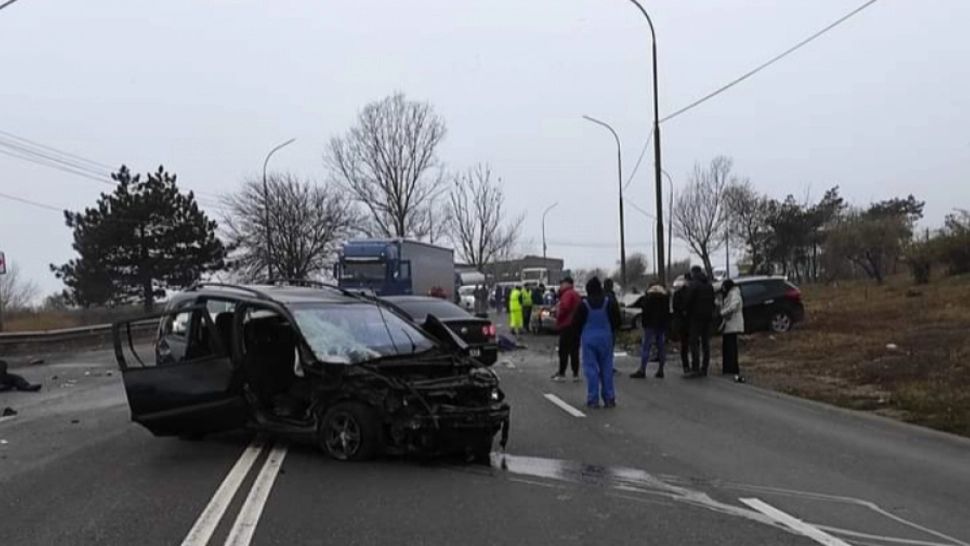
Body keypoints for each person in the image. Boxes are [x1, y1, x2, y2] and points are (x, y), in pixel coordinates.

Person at [571, 277, 621, 408]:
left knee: (591, 369)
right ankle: (609, 398)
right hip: (606, 338)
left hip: (589, 339)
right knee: (607, 368)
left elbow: (576, 323)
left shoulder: (584, 304)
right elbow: (617, 321)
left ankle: (593, 399)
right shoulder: (608, 302)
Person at [630, 284, 671, 379]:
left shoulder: (648, 298)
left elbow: (641, 307)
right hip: (661, 325)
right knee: (661, 346)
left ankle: (642, 369)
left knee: (646, 346)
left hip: (649, 325)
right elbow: (667, 313)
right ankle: (661, 370)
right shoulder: (665, 299)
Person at [685, 266, 716, 377]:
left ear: (693, 273)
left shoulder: (694, 285)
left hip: (696, 317)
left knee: (694, 342)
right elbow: (713, 301)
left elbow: (688, 301)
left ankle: (695, 368)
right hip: (707, 317)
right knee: (705, 343)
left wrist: (687, 312)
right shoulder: (709, 285)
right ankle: (704, 368)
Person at [552, 276, 581, 382]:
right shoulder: (575, 294)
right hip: (576, 325)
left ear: (567, 284)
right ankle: (575, 374)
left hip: (567, 325)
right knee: (574, 350)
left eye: (562, 283)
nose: (560, 286)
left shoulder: (567, 294)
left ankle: (562, 373)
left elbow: (564, 308)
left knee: (563, 350)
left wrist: (558, 315)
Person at [719, 279, 745, 380]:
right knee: (728, 347)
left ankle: (732, 368)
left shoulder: (734, 294)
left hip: (733, 324)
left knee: (731, 347)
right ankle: (728, 368)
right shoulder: (731, 293)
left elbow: (733, 306)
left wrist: (723, 312)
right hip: (729, 324)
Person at [671, 272, 692, 374]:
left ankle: (686, 366)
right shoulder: (693, 293)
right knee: (693, 344)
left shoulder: (678, 293)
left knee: (684, 345)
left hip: (682, 323)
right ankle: (693, 365)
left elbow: (675, 308)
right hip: (692, 322)